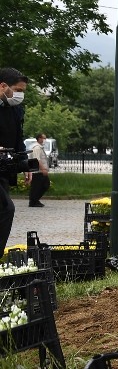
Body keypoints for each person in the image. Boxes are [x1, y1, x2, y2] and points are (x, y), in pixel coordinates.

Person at [0, 67, 30, 251]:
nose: (20, 96)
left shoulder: (15, 110)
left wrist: (25, 164)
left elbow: (19, 140)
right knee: (5, 209)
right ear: (3, 86)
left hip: (3, 170)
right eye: (18, 91)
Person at [28, 133, 49, 207]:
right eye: (44, 138)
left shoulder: (40, 147)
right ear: (39, 139)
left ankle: (35, 200)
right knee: (37, 187)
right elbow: (37, 159)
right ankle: (33, 201)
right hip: (37, 171)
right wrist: (43, 169)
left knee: (44, 185)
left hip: (40, 171)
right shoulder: (36, 147)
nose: (45, 140)